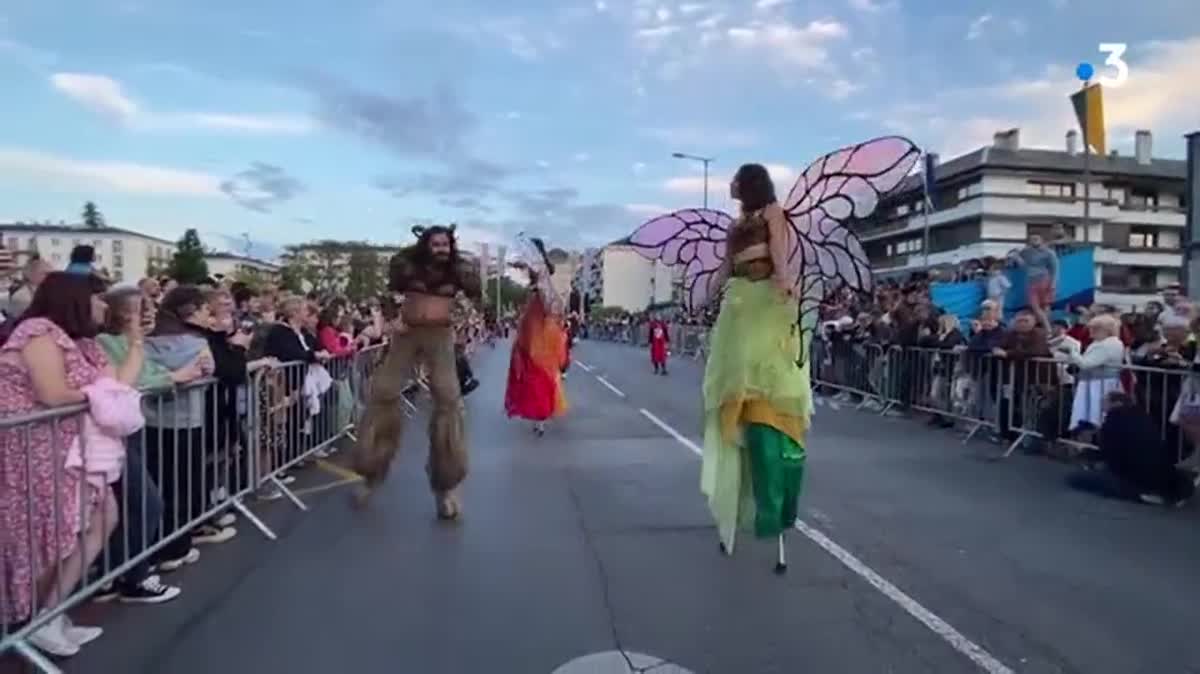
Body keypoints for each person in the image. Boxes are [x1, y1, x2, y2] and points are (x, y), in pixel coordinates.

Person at [349, 224, 482, 519]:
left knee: (448, 400)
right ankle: (371, 473)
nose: (441, 249)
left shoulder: (458, 269)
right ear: (426, 245)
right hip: (406, 334)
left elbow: (476, 296)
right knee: (383, 391)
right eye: (435, 244)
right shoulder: (407, 265)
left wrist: (460, 319)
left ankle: (446, 487)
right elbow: (383, 294)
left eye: (445, 244)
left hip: (440, 337)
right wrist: (390, 320)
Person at [504, 237, 569, 437]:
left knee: (537, 369)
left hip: (540, 318)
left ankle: (540, 414)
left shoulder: (541, 271)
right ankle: (539, 415)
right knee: (533, 369)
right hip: (535, 318)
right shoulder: (539, 271)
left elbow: (549, 299)